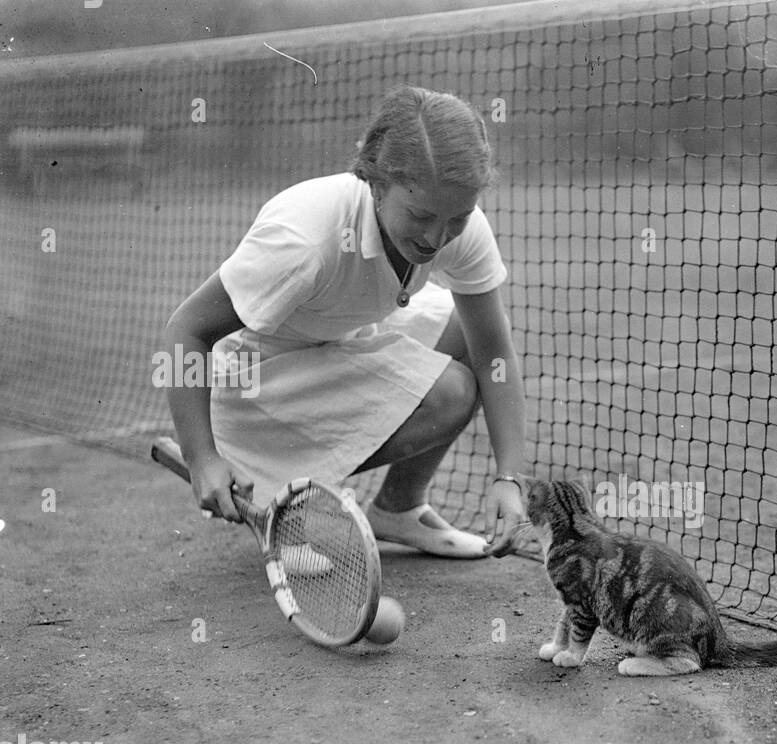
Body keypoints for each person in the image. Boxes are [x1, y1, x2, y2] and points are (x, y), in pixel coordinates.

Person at [159, 86, 528, 557]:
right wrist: (203, 458)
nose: (438, 237)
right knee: (451, 393)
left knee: (466, 332)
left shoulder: (457, 223)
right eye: (421, 215)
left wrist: (509, 478)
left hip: (335, 341)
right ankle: (278, 490)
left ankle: (399, 509)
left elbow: (493, 352)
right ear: (375, 185)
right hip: (256, 385)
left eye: (458, 217)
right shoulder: (305, 241)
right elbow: (184, 330)